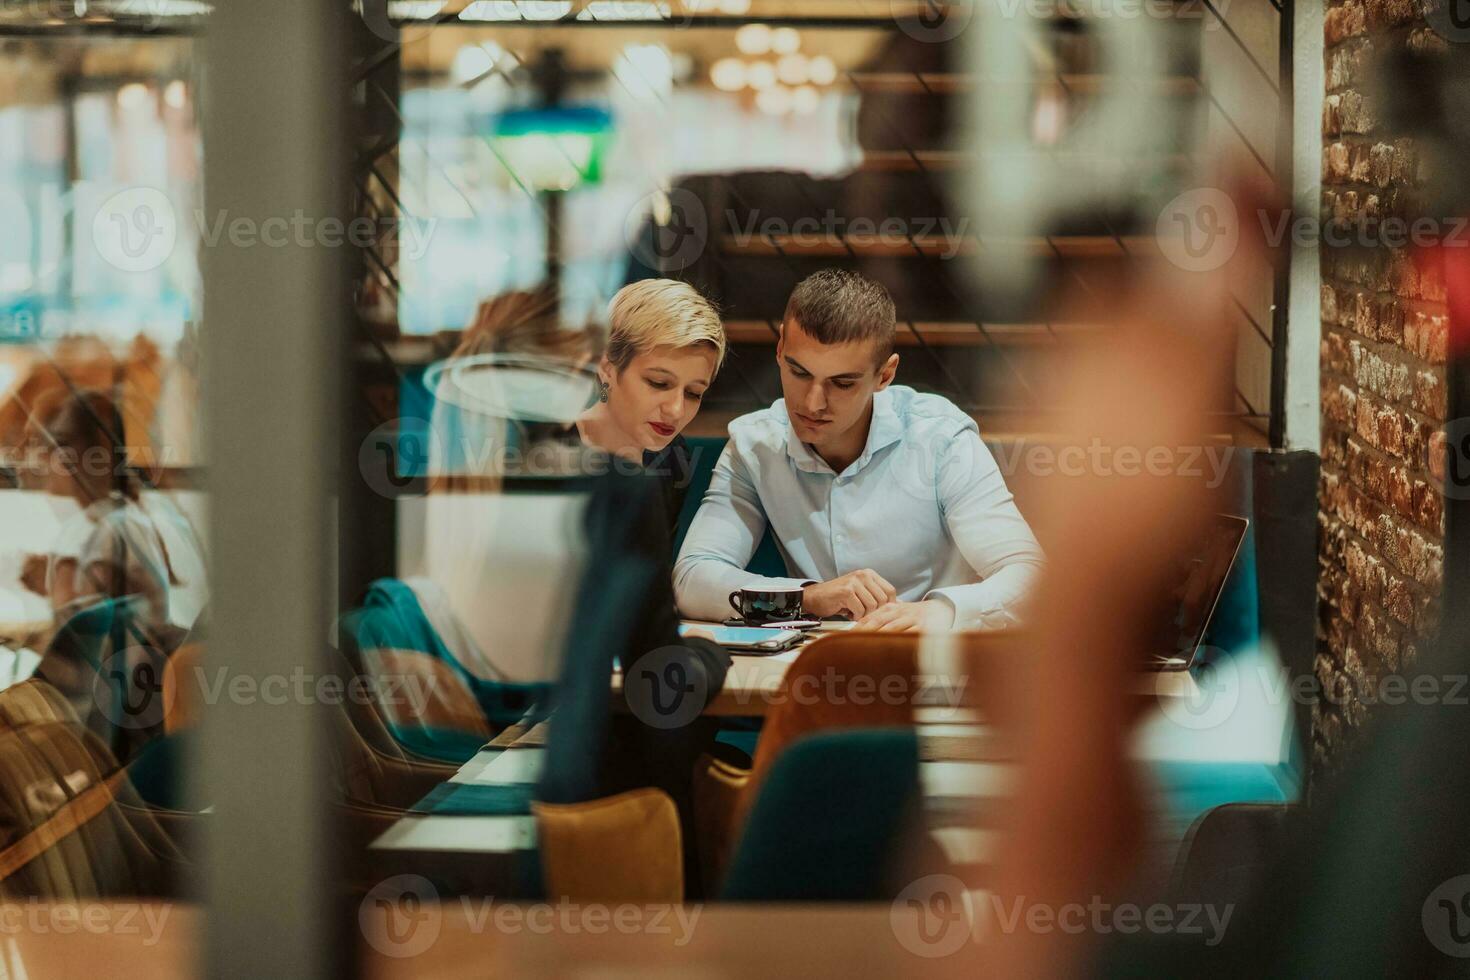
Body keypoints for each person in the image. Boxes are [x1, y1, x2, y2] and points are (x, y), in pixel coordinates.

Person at [674, 268, 1045, 632]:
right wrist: (808, 599)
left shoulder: (941, 439)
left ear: (885, 375)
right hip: (813, 668)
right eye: (799, 373)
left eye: (842, 383)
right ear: (780, 348)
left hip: (932, 662)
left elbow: (1031, 579)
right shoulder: (755, 446)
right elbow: (693, 580)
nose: (813, 403)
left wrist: (939, 614)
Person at [574, 277, 726, 534]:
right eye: (658, 383)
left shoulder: (671, 459)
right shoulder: (548, 455)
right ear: (607, 367)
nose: (676, 411)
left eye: (693, 393)